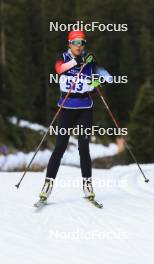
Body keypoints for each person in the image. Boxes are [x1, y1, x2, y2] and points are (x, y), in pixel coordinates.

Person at [39, 30, 112, 202]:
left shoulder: (90, 60)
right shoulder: (63, 58)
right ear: (69, 44)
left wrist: (95, 82)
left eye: (82, 42)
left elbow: (107, 77)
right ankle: (47, 186)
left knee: (84, 148)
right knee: (60, 147)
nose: (79, 46)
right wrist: (76, 61)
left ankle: (87, 186)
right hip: (65, 108)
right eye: (76, 42)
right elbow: (59, 70)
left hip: (85, 109)